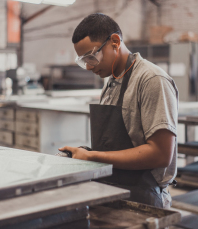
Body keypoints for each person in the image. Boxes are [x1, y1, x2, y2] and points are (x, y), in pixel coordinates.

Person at [59, 13, 178, 209]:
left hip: (143, 198)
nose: (88, 66)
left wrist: (93, 157)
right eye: (83, 61)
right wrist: (84, 153)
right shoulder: (111, 81)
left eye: (91, 57)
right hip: (112, 188)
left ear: (115, 42)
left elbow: (160, 154)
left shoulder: (152, 80)